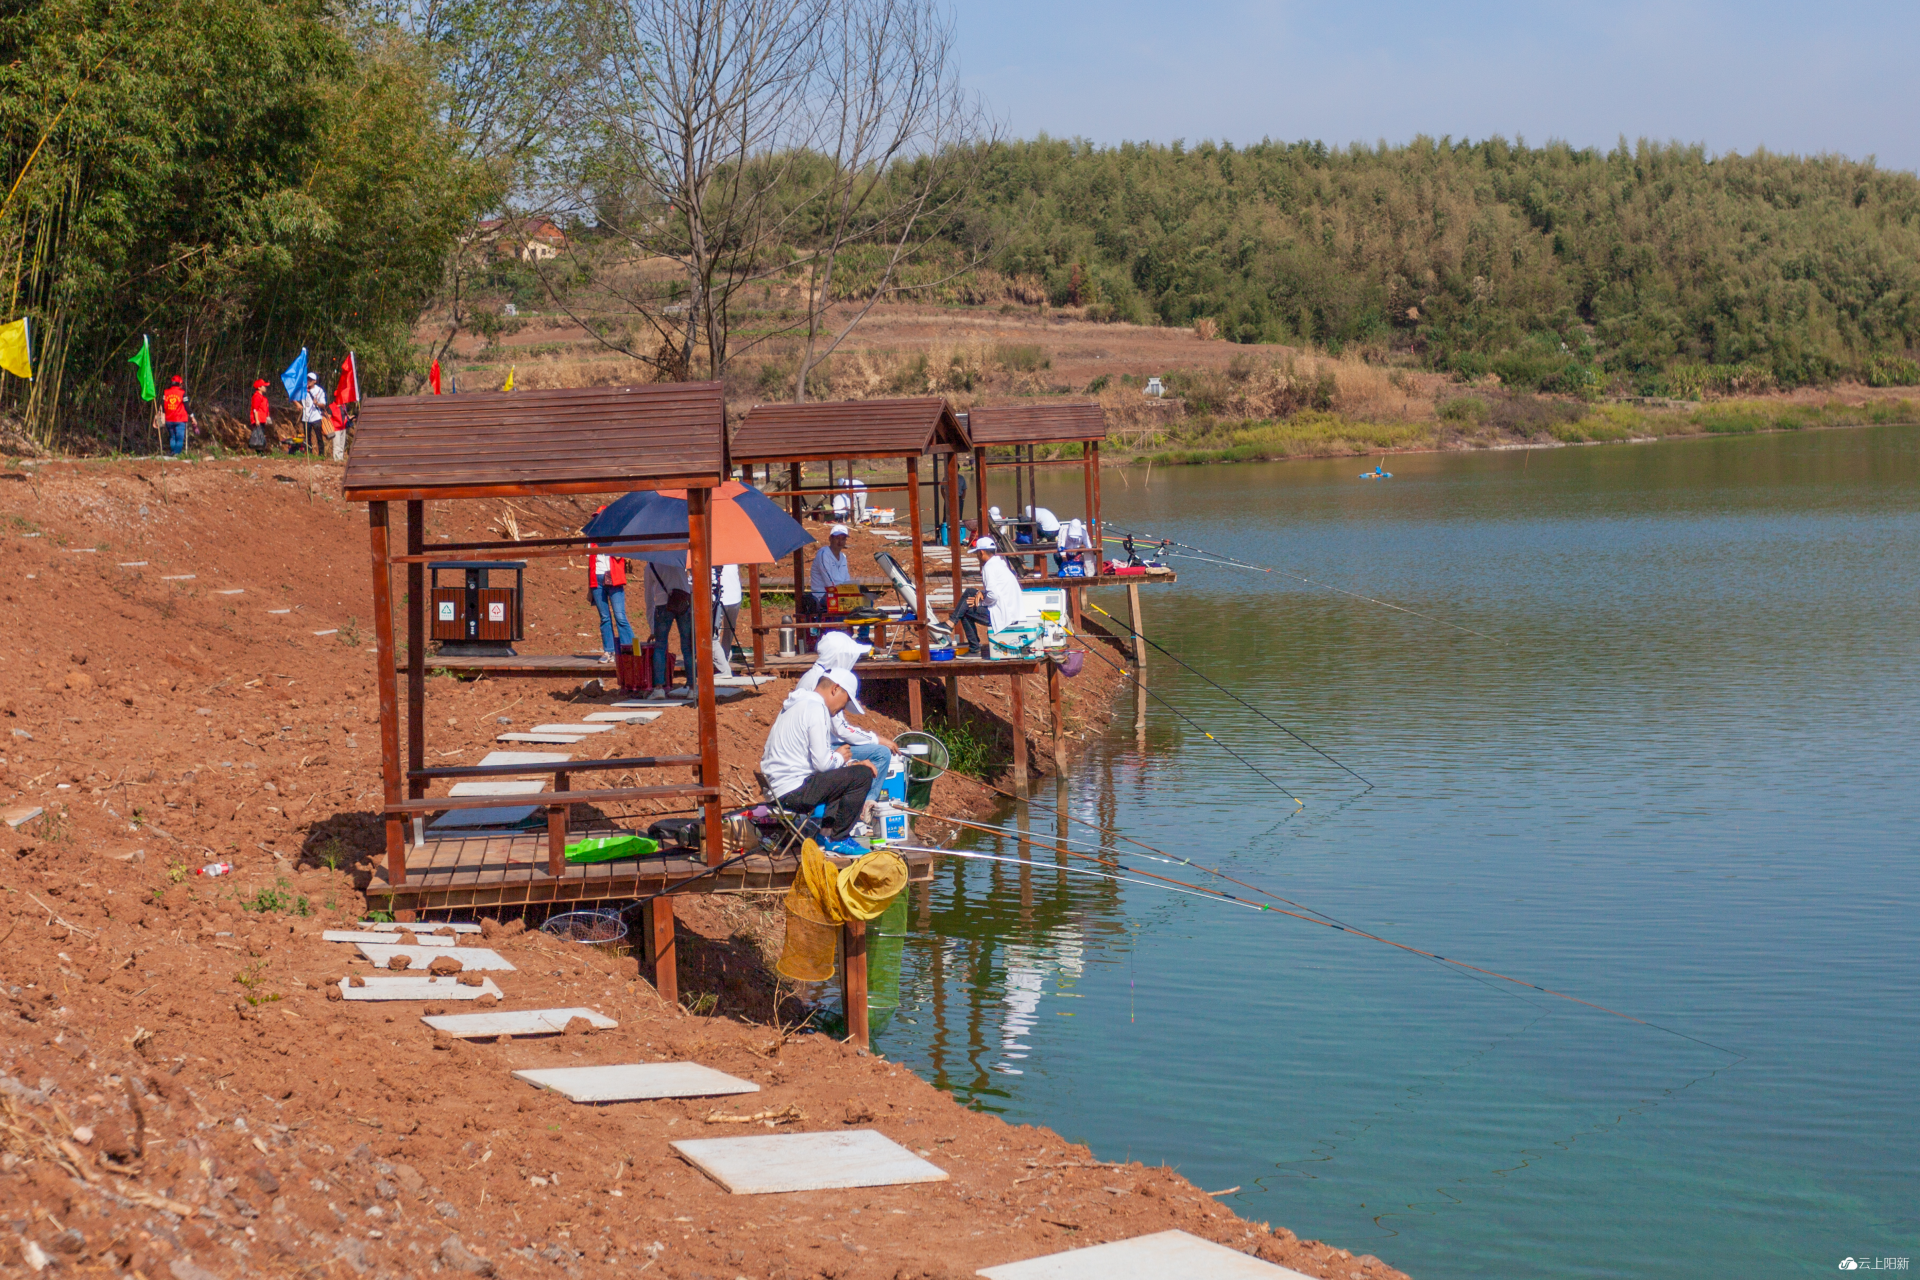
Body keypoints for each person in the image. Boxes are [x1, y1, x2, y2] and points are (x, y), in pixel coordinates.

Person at [761, 667, 875, 845]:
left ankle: (827, 832)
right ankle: (839, 838)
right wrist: (841, 758)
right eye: (844, 703)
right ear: (835, 689)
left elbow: (820, 761)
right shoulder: (816, 708)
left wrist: (846, 762)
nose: (841, 710)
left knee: (846, 775)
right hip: (793, 791)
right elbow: (823, 764)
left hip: (775, 789)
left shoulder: (796, 704)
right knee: (862, 775)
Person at [794, 631, 895, 820]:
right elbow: (840, 728)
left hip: (814, 748)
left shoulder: (814, 677)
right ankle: (861, 807)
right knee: (880, 753)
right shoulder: (824, 685)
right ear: (841, 657)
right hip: (819, 751)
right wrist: (877, 739)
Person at [950, 535, 1026, 652]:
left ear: (981, 552)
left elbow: (994, 596)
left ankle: (974, 648)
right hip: (1012, 611)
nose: (977, 556)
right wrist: (983, 593)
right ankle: (950, 622)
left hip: (1002, 616)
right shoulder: (1000, 564)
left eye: (977, 553)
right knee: (970, 592)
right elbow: (997, 591)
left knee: (964, 610)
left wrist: (981, 603)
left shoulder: (988, 567)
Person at [584, 516, 634, 662]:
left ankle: (629, 648)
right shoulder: (591, 539)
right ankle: (609, 651)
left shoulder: (617, 535)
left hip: (614, 578)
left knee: (620, 616)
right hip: (597, 580)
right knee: (604, 618)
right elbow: (590, 564)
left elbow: (620, 556)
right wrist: (589, 588)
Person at [642, 557, 694, 699]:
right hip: (683, 603)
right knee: (687, 647)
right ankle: (692, 687)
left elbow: (648, 597)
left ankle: (659, 688)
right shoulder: (681, 560)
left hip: (662, 605)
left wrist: (652, 627)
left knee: (660, 646)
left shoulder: (651, 565)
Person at [809, 524, 852, 613]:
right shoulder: (823, 554)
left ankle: (858, 627)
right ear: (830, 539)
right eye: (837, 538)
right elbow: (829, 583)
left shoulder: (843, 557)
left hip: (840, 594)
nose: (840, 541)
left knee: (867, 602)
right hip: (822, 596)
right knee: (843, 603)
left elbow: (847, 580)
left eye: (843, 538)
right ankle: (840, 627)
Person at [715, 564, 743, 665]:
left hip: (734, 597)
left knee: (729, 629)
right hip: (718, 598)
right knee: (715, 631)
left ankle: (724, 655)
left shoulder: (733, 553)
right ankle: (719, 658)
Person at [160, 375, 193, 455]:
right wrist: (192, 415)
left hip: (169, 419)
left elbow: (163, 405)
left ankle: (173, 452)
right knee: (179, 438)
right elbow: (187, 406)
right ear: (180, 383)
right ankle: (176, 453)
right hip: (180, 419)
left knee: (172, 437)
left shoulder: (166, 392)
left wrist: (162, 415)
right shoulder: (182, 393)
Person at [300, 373, 328, 456]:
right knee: (307, 437)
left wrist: (317, 403)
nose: (308, 381)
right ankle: (309, 453)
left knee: (318, 436)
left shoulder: (319, 390)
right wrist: (298, 405)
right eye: (307, 379)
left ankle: (321, 454)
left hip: (316, 416)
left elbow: (323, 404)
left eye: (311, 380)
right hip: (306, 417)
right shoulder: (303, 389)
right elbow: (294, 396)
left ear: (315, 381)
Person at [248, 379, 272, 454]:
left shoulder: (262, 397)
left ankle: (260, 451)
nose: (265, 388)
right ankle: (259, 452)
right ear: (259, 387)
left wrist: (267, 419)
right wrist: (257, 419)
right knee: (259, 435)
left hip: (262, 419)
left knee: (261, 435)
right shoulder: (257, 396)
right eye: (264, 386)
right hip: (259, 419)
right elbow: (255, 409)